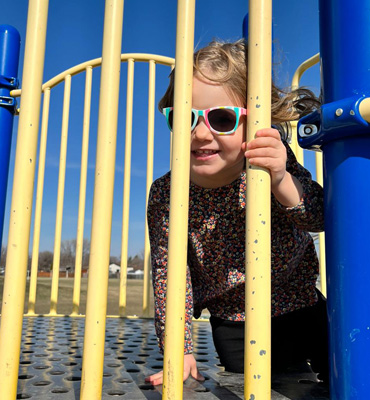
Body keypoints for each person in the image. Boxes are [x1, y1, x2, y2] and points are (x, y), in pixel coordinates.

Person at [145, 39, 328, 386]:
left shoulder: (267, 163)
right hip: (233, 324)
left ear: (253, 121)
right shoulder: (168, 194)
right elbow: (170, 274)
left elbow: (317, 217)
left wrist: (281, 179)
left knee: (341, 379)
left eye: (223, 118)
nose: (200, 133)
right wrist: (179, 349)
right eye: (185, 117)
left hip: (303, 306)